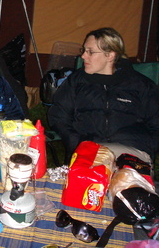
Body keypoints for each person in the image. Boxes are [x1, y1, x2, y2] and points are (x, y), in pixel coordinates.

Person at [48, 27, 159, 165]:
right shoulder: (77, 81)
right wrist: (76, 142)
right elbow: (58, 116)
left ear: (110, 55)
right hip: (90, 151)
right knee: (88, 185)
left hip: (131, 152)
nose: (83, 56)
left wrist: (147, 147)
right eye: (84, 50)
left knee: (127, 185)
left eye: (90, 52)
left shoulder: (140, 85)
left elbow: (156, 122)